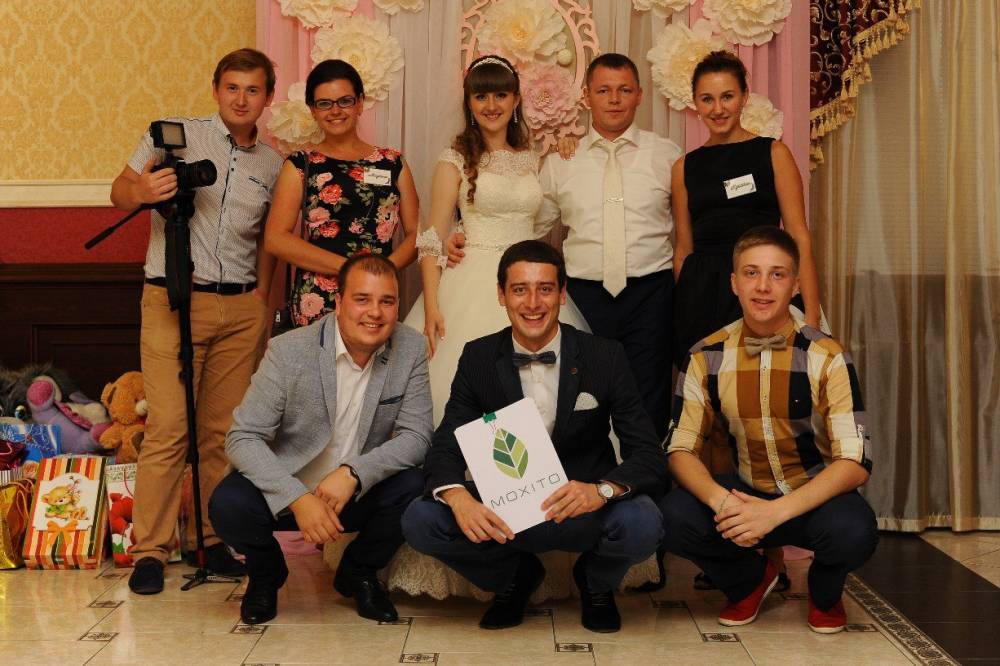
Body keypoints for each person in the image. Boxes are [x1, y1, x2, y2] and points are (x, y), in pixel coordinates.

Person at [403, 241, 667, 634]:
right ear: (501, 295)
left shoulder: (604, 355)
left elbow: (647, 453)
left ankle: (595, 581)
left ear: (562, 294)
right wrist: (458, 498)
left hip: (583, 507)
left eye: (545, 289)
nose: (532, 303)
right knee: (420, 519)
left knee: (644, 521)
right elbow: (446, 444)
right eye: (519, 289)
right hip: (507, 513)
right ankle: (514, 576)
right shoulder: (478, 357)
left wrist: (601, 491)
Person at [110, 48, 283, 595]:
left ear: (267, 97)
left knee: (222, 433)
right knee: (167, 428)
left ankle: (213, 538)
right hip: (172, 298)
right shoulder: (173, 137)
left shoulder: (273, 164)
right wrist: (142, 191)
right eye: (232, 87)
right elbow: (119, 193)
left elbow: (269, 240)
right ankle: (150, 551)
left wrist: (261, 301)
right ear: (215, 89)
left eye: (252, 90)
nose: (241, 99)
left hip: (241, 308)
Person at [660, 226, 877, 634]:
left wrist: (774, 513)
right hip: (745, 491)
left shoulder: (828, 355)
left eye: (777, 274)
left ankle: (825, 590)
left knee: (855, 532)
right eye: (751, 273)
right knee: (671, 516)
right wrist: (725, 504)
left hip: (812, 498)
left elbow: (855, 461)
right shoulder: (705, 355)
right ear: (734, 283)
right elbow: (680, 449)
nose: (763, 286)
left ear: (795, 286)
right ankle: (750, 579)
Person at [209, 254, 432, 625]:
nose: (375, 313)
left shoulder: (409, 348)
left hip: (353, 493)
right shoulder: (289, 351)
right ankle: (266, 574)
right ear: (339, 302)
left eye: (387, 301)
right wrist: (297, 498)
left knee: (415, 483)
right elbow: (243, 437)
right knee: (227, 504)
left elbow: (417, 435)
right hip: (286, 489)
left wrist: (353, 473)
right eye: (362, 299)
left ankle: (358, 572)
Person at [403, 54, 589, 425]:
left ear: (516, 100)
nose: (492, 105)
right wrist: (433, 306)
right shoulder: (454, 159)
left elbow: (543, 216)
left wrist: (570, 147)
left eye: (501, 95)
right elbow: (431, 239)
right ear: (469, 103)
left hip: (527, 276)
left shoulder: (532, 158)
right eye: (481, 96)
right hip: (472, 279)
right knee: (475, 385)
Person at [531, 53, 683, 440]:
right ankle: (589, 472)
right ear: (587, 97)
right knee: (584, 396)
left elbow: (690, 227)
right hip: (583, 296)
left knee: (648, 395)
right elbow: (530, 226)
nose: (614, 99)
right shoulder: (561, 161)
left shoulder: (668, 155)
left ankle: (645, 471)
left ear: (639, 95)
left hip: (652, 293)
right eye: (603, 91)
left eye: (624, 90)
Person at [672, 50, 821, 366]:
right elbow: (683, 250)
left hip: (762, 286)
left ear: (744, 97)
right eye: (707, 99)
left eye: (727, 96)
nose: (718, 109)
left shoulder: (773, 153)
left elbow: (798, 236)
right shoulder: (684, 167)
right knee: (710, 388)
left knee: (770, 382)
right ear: (695, 103)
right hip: (703, 297)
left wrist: (812, 314)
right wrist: (685, 306)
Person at [264, 59, 418, 327]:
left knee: (378, 356)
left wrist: (383, 272)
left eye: (345, 101)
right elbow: (276, 239)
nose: (335, 111)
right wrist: (348, 269)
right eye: (324, 103)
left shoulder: (392, 163)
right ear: (312, 110)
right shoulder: (301, 164)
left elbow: (418, 234)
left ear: (360, 103)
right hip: (318, 299)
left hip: (376, 297)